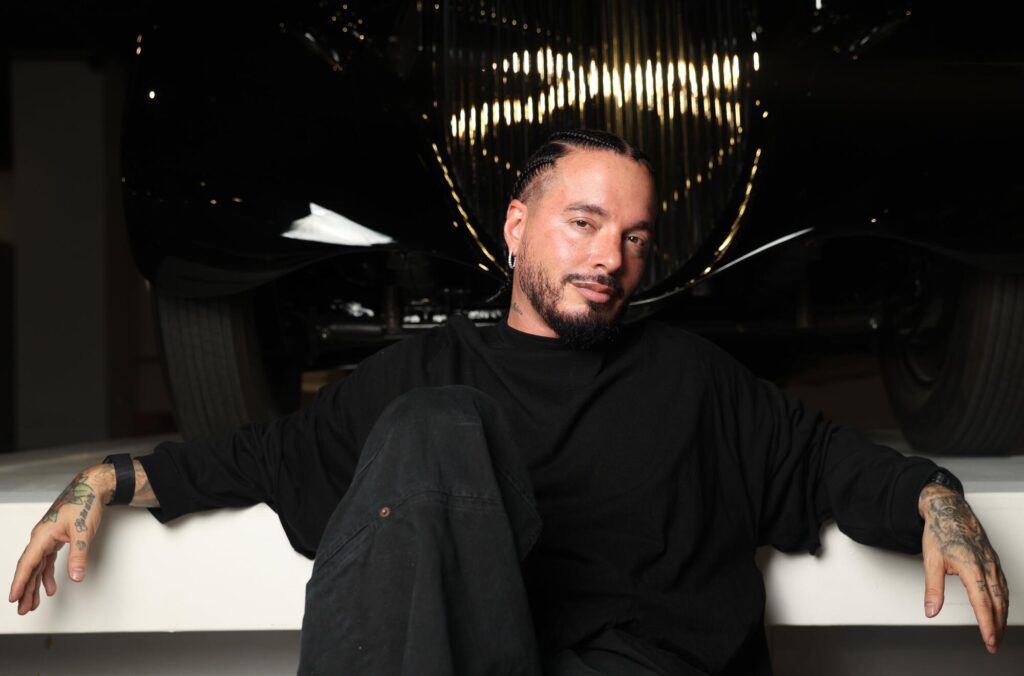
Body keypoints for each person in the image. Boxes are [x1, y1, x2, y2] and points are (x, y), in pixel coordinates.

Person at [9, 130, 1009, 674]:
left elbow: (827, 462)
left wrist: (936, 502)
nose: (611, 258)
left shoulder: (690, 379)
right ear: (517, 225)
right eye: (583, 223)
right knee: (434, 424)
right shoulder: (424, 379)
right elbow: (266, 456)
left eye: (634, 237)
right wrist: (106, 477)